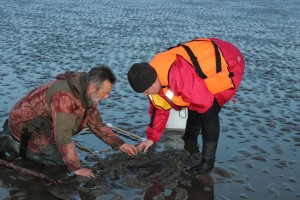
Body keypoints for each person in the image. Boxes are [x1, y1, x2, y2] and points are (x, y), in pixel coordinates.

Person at [127, 38, 245, 174]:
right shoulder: (151, 76)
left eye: (146, 91)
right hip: (195, 71)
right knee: (194, 103)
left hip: (229, 60)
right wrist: (151, 139)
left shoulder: (178, 76)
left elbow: (206, 103)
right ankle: (190, 139)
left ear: (153, 83)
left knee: (208, 111)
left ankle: (208, 163)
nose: (144, 95)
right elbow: (159, 108)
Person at [0, 66, 138, 177]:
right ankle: (10, 143)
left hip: (46, 124)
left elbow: (96, 124)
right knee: (59, 162)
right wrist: (76, 168)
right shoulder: (64, 97)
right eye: (106, 92)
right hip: (27, 126)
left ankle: (18, 140)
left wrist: (120, 144)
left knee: (64, 154)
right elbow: (63, 135)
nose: (107, 97)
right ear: (91, 88)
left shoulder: (88, 94)